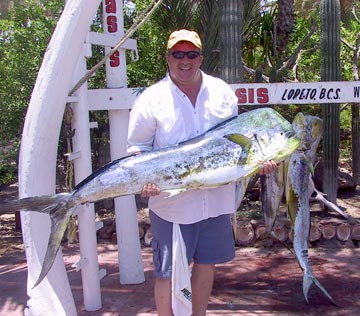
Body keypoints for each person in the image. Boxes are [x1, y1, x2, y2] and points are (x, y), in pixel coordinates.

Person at [127, 29, 277, 316]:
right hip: (172, 204)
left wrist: (262, 160)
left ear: (201, 57)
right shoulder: (151, 98)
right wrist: (144, 181)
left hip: (216, 201)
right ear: (168, 58)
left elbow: (238, 142)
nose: (185, 60)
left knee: (206, 263)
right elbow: (137, 148)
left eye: (191, 54)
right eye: (178, 54)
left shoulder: (221, 91)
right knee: (167, 272)